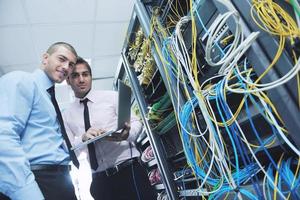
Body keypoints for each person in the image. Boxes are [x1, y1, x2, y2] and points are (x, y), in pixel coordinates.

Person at [63, 57, 156, 200]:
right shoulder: (67, 115)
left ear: (90, 77)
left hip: (129, 172)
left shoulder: (112, 97)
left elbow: (136, 123)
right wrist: (82, 138)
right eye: (75, 75)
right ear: (68, 80)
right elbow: (68, 150)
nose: (81, 79)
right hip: (100, 181)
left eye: (85, 74)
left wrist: (127, 134)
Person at [0, 42, 79, 200]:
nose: (66, 67)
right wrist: (26, 192)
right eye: (61, 59)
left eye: (71, 65)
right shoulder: (21, 80)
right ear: (45, 58)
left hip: (59, 179)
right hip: (39, 180)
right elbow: (4, 137)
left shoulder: (49, 99)